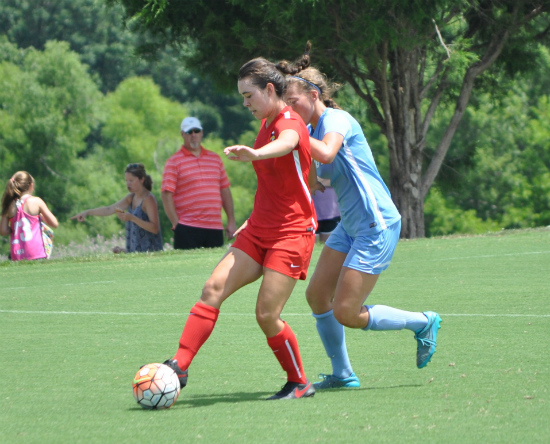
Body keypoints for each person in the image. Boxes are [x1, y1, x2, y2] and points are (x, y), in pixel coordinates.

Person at [280, 48, 442, 390]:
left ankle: (423, 322)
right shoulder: (314, 128)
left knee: (346, 312)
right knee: (316, 296)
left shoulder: (336, 121)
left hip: (376, 224)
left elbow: (325, 152)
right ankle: (343, 375)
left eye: (293, 102)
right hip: (351, 226)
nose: (289, 111)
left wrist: (292, 135)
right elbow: (322, 176)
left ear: (314, 95)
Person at [159, 57, 318, 400]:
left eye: (249, 95)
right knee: (212, 288)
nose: (245, 103)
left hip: (291, 234)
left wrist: (256, 155)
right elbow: (274, 185)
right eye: (242, 97)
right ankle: (179, 366)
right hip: (260, 228)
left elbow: (288, 143)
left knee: (266, 314)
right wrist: (252, 216)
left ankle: (299, 382)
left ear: (270, 89)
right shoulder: (264, 124)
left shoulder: (289, 121)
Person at [161, 116, 236, 250]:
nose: (193, 135)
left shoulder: (215, 159)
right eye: (189, 132)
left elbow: (225, 190)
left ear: (201, 133)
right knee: (187, 269)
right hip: (187, 227)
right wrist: (176, 224)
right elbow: (166, 194)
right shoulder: (174, 162)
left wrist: (231, 220)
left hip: (214, 226)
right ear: (182, 135)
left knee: (214, 269)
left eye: (196, 131)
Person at [71, 163, 163, 253]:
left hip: (151, 256)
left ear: (141, 179)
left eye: (131, 180)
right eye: (126, 180)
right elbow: (109, 210)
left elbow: (155, 228)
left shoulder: (149, 199)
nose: (128, 184)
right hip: (137, 256)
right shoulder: (131, 198)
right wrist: (87, 212)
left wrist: (132, 218)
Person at [1, 171, 58, 261]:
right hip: (36, 252)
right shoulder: (36, 201)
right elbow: (54, 223)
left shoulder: (8, 204)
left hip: (17, 254)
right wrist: (41, 216)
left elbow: (3, 231)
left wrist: (15, 228)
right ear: (31, 185)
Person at [312, 179, 340, 243]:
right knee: (311, 248)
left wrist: (314, 181)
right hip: (310, 213)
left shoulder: (335, 168)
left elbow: (338, 180)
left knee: (328, 245)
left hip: (331, 213)